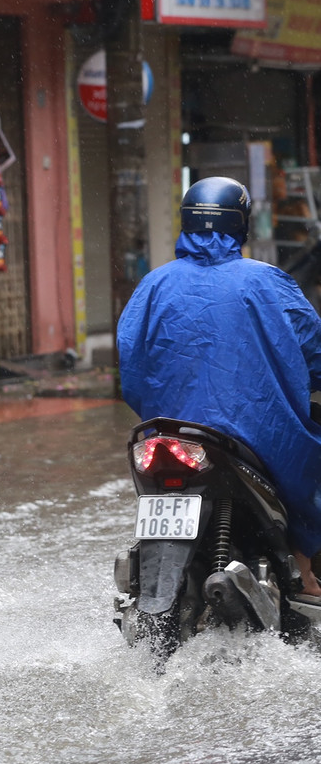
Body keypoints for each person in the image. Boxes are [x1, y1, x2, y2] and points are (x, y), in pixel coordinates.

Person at [117, 175, 321, 595]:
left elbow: (131, 368)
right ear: (240, 224)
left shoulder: (154, 285)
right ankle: (302, 572)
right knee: (309, 470)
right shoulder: (269, 282)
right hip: (259, 434)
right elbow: (314, 354)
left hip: (170, 433)